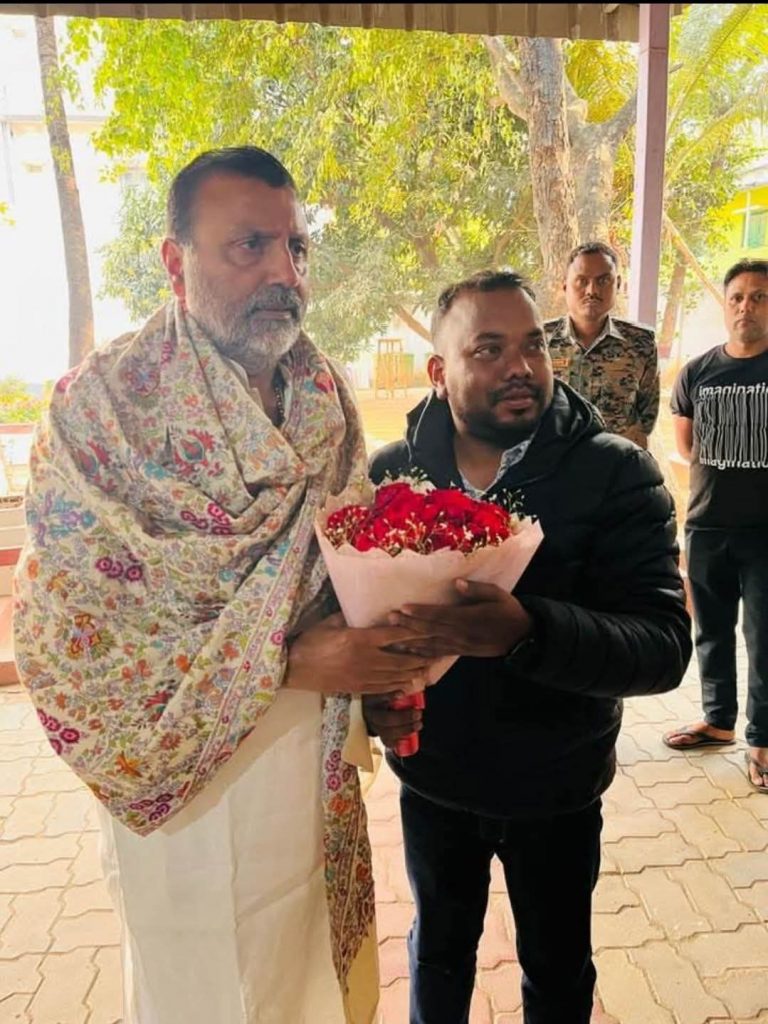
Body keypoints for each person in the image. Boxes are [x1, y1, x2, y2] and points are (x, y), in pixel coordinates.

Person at [12, 146, 440, 1024]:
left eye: (296, 246)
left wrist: (379, 679)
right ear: (176, 262)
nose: (285, 272)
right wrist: (289, 662)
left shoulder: (323, 393)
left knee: (303, 976)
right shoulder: (99, 409)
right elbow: (74, 640)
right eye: (250, 245)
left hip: (305, 769)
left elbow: (344, 572)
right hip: (184, 797)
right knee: (201, 991)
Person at [363, 270, 691, 1024]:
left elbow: (664, 645)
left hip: (556, 786)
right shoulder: (392, 475)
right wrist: (372, 697)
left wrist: (528, 630)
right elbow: (370, 628)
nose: (520, 366)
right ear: (439, 371)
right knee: (437, 955)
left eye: (533, 346)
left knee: (557, 969)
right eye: (488, 349)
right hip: (434, 782)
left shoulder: (616, 473)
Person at [662, 258, 768, 793]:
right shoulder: (697, 372)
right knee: (711, 631)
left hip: (765, 534)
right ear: (725, 306)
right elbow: (686, 446)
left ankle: (763, 741)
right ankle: (718, 721)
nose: (746, 307)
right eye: (737, 297)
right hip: (707, 527)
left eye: (759, 297)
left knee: (764, 638)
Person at [544, 241, 659, 448]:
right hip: (554, 462)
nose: (592, 290)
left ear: (618, 284)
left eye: (603, 280)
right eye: (582, 281)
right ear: (565, 286)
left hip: (617, 462)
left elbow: (646, 417)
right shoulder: (539, 342)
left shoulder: (641, 343)